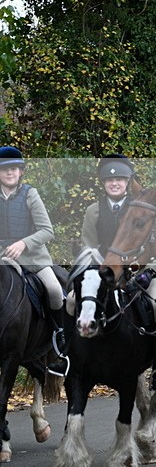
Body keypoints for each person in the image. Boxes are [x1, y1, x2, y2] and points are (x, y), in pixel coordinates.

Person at [71, 154, 156, 389]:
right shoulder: (93, 211)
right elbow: (88, 248)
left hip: (139, 272)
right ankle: (69, 356)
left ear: (128, 182)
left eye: (120, 180)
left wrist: (150, 270)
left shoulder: (141, 207)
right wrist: (97, 273)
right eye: (109, 180)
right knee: (71, 300)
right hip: (104, 275)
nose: (114, 184)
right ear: (103, 183)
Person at [0, 147, 66, 374]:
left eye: (14, 169)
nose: (10, 173)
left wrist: (23, 244)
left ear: (21, 172)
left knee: (55, 290)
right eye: (5, 169)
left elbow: (47, 230)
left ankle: (60, 340)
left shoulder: (30, 194)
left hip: (32, 258)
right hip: (2, 258)